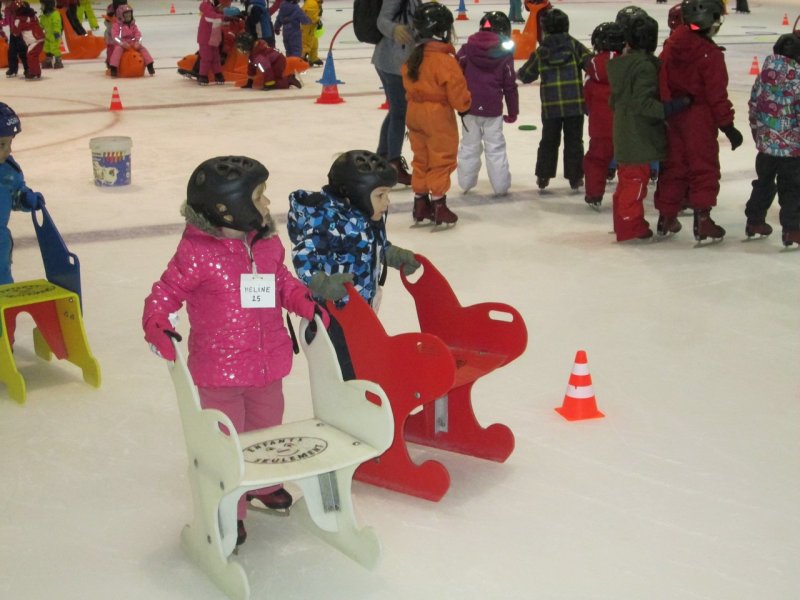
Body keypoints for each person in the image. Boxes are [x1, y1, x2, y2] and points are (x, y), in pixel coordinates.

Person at [142, 156, 325, 547]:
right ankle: (232, 507)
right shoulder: (197, 252)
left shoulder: (267, 243)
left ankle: (264, 485)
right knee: (228, 444)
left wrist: (303, 300)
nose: (267, 203)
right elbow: (166, 292)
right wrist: (157, 322)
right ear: (229, 208)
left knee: (268, 430)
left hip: (267, 364)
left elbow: (281, 282)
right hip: (219, 372)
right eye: (258, 197)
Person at [287, 150, 419, 377]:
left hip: (360, 308)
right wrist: (322, 283)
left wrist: (394, 255)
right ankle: (348, 392)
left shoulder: (365, 217)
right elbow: (303, 255)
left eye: (387, 194)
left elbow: (372, 246)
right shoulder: (326, 220)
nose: (386, 202)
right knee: (345, 368)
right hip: (333, 315)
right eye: (380, 195)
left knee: (363, 358)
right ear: (356, 194)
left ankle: (361, 385)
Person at [654, 0, 743, 242]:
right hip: (699, 119)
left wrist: (666, 107)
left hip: (674, 115)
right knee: (703, 167)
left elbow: (660, 78)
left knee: (674, 166)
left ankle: (666, 216)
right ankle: (703, 220)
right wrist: (728, 125)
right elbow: (716, 94)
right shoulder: (710, 54)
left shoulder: (672, 45)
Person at [608, 14, 691, 241]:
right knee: (635, 182)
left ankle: (623, 222)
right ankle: (630, 226)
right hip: (638, 134)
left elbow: (615, 101)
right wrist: (670, 107)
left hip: (626, 130)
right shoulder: (644, 67)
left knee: (628, 180)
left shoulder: (623, 64)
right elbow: (642, 102)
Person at [402, 2, 471, 225]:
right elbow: (457, 92)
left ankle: (420, 202)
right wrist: (465, 105)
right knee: (441, 157)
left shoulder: (414, 57)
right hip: (437, 116)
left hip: (414, 112)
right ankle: (439, 204)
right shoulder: (444, 61)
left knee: (421, 157)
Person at [517, 8, 592, 191]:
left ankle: (543, 175)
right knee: (574, 141)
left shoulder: (542, 51)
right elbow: (591, 64)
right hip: (575, 105)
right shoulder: (574, 45)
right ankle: (575, 176)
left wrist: (517, 73)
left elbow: (526, 75)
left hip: (551, 107)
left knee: (549, 141)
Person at [744, 32, 800, 247]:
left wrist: (757, 133)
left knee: (763, 183)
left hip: (766, 146)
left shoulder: (763, 77)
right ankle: (792, 229)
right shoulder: (797, 79)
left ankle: (754, 221)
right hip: (792, 149)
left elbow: (753, 106)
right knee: (792, 188)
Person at [456, 11, 518, 197]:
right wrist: (513, 111)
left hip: (469, 108)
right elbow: (510, 85)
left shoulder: (467, 49)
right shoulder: (504, 54)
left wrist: (457, 101)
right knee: (495, 147)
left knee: (469, 145)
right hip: (492, 110)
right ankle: (500, 186)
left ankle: (465, 183)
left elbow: (455, 75)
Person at [371, 0, 419, 186]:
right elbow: (382, 20)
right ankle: (393, 164)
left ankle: (383, 158)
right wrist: (395, 29)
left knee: (396, 111)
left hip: (397, 60)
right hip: (392, 62)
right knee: (400, 113)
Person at [0, 103, 44, 285]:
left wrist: (24, 198)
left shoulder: (8, 170)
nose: (8, 150)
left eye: (10, 143)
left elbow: (14, 195)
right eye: (2, 144)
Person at [582, 21, 624, 209]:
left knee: (596, 160)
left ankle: (594, 194)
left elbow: (586, 99)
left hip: (600, 128)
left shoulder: (592, 70)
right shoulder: (628, 65)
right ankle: (628, 195)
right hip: (626, 125)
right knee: (628, 163)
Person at [235, 31, 301, 89]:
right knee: (266, 80)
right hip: (273, 60)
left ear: (247, 46)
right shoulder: (253, 54)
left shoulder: (259, 57)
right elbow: (251, 66)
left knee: (275, 81)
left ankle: (288, 80)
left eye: (241, 47)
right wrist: (250, 80)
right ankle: (276, 81)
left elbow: (267, 69)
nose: (240, 50)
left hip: (278, 61)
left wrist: (269, 83)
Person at [108, 4, 155, 77]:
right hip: (121, 44)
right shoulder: (116, 25)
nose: (128, 16)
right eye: (126, 14)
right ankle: (113, 68)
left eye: (130, 14)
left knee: (143, 49)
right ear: (120, 15)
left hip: (132, 43)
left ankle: (150, 65)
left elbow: (138, 34)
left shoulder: (133, 25)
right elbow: (115, 36)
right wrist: (122, 43)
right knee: (117, 51)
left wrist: (138, 42)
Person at [197, 0, 226, 85]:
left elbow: (220, 20)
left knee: (215, 57)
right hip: (205, 37)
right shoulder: (206, 5)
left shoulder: (216, 6)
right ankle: (202, 75)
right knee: (206, 57)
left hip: (214, 36)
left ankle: (217, 74)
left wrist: (230, 17)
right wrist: (224, 17)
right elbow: (210, 17)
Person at [16, 1, 43, 80]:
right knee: (33, 56)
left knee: (31, 55)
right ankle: (37, 72)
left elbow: (16, 32)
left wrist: (16, 24)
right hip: (38, 38)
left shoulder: (21, 19)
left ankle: (33, 72)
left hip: (34, 40)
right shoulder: (32, 16)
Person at [4, 0, 30, 78]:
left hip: (21, 33)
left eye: (6, 1)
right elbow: (7, 20)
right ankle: (13, 69)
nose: (5, 3)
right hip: (13, 33)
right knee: (11, 51)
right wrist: (1, 22)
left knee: (22, 51)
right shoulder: (7, 9)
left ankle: (27, 68)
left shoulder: (18, 5)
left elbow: (24, 17)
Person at [39, 0, 63, 69]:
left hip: (54, 35)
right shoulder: (44, 15)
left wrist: (56, 32)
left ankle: (58, 61)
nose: (41, 6)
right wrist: (39, 28)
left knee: (55, 48)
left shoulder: (55, 14)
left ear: (48, 5)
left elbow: (57, 24)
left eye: (42, 5)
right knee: (47, 48)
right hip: (47, 35)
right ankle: (48, 61)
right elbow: (42, 24)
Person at [301, 0, 322, 66]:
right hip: (308, 27)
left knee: (314, 42)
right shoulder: (311, 3)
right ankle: (302, 58)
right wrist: (317, 20)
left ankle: (313, 57)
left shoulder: (315, 3)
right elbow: (311, 18)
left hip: (312, 27)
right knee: (306, 43)